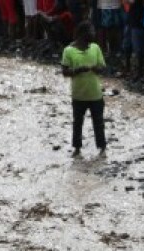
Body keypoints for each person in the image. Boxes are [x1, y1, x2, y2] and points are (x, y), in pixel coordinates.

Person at [61, 22, 107, 156]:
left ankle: (102, 147)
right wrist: (77, 70)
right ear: (82, 34)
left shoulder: (95, 48)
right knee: (78, 122)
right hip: (78, 95)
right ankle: (77, 148)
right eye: (91, 31)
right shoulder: (68, 50)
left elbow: (103, 68)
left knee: (98, 122)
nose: (94, 34)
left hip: (95, 94)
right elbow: (64, 72)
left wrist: (96, 69)